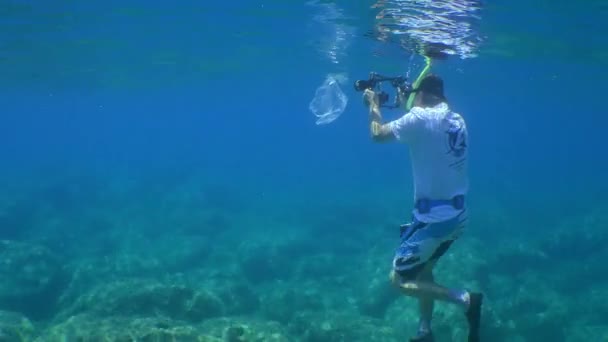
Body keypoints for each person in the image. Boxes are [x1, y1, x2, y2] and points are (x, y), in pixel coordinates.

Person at [363, 74, 483, 342]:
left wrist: (373, 105)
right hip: (458, 216)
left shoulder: (418, 119)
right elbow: (426, 124)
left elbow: (377, 135)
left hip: (433, 221)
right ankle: (424, 331)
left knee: (399, 279)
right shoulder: (457, 119)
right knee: (425, 270)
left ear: (420, 96)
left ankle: (465, 300)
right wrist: (410, 99)